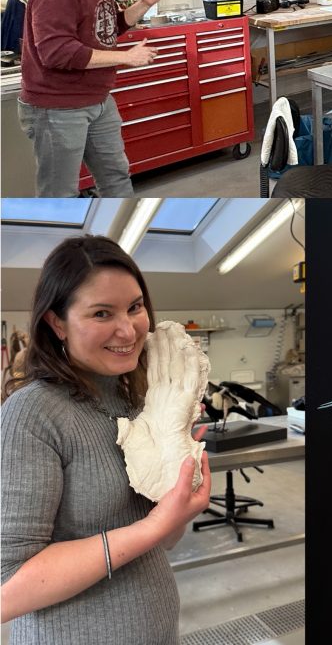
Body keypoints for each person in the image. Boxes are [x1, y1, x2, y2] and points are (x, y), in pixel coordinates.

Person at [0, 235, 212, 644]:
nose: (128, 329)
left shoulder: (137, 398)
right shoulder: (31, 415)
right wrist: (153, 527)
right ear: (56, 322)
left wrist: (178, 502)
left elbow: (162, 540)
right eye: (102, 313)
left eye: (135, 307)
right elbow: (7, 590)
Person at [17, 0, 162, 198]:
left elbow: (107, 28)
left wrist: (144, 4)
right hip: (57, 107)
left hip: (98, 100)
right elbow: (57, 51)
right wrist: (126, 57)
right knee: (60, 193)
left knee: (116, 177)